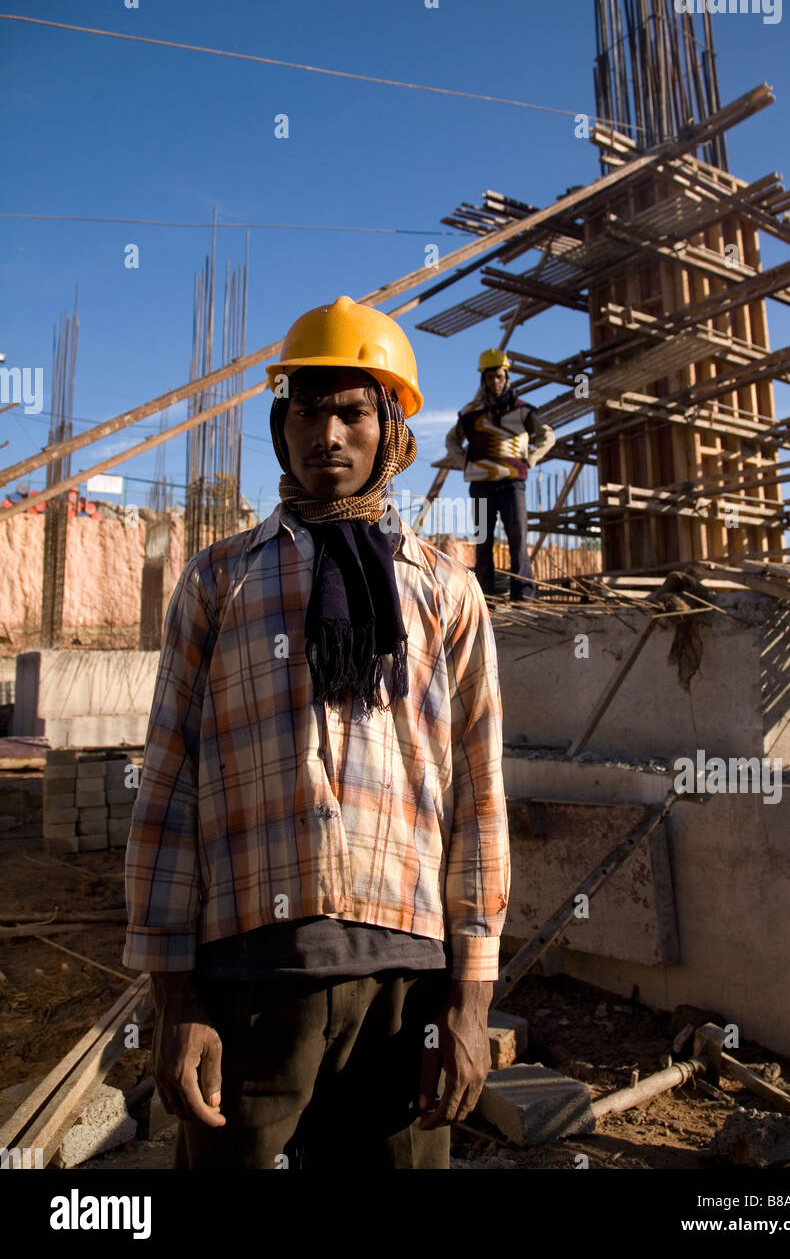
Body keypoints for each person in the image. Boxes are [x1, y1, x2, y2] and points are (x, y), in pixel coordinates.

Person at [123, 296, 510, 1171]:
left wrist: (471, 1004)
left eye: (352, 410)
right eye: (306, 408)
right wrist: (175, 997)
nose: (326, 433)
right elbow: (167, 788)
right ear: (279, 424)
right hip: (251, 980)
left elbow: (479, 798)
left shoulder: (447, 593)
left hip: (405, 990)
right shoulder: (219, 582)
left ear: (393, 433)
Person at [439, 349, 555, 602]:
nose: (495, 381)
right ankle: (485, 599)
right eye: (490, 377)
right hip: (481, 485)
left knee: (518, 539)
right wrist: (464, 461)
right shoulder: (470, 413)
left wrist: (531, 458)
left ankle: (523, 598)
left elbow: (548, 436)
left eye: (499, 376)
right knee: (483, 542)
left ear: (507, 377)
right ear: (483, 379)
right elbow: (452, 440)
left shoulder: (523, 411)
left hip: (513, 484)